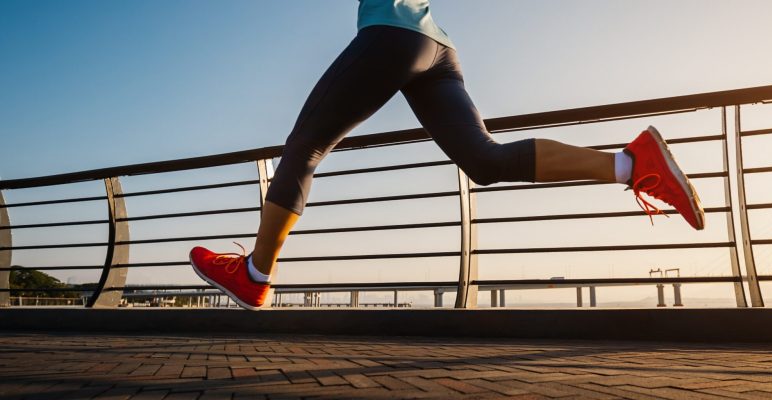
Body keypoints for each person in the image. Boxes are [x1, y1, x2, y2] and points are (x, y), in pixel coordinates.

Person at [189, 0, 705, 311]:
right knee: (483, 160)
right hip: (439, 49)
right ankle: (631, 165)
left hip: (392, 34)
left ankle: (255, 276)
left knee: (305, 147)